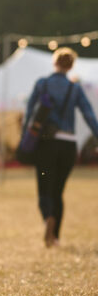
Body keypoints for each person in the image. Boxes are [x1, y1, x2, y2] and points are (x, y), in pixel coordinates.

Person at [24, 47, 98, 247]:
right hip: (68, 146)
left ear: (54, 63)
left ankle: (48, 217)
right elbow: (89, 114)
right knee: (58, 192)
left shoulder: (42, 84)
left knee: (44, 190)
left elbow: (30, 113)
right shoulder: (75, 88)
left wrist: (25, 140)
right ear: (72, 66)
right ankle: (55, 237)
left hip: (46, 144)